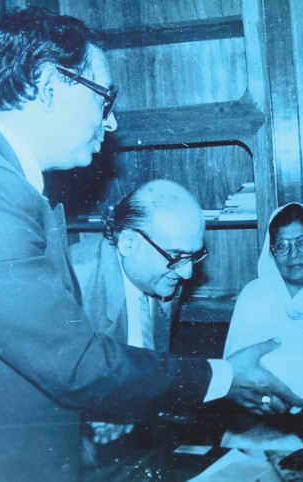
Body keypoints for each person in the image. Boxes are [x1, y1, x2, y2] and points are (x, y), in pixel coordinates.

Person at [0, 8, 301, 482]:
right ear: (50, 84)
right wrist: (223, 375)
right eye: (104, 99)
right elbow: (75, 364)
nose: (110, 123)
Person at [69, 179, 207, 451]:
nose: (187, 273)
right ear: (129, 243)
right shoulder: (75, 279)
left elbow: (151, 363)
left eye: (193, 256)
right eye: (177, 256)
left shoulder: (166, 273)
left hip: (138, 432)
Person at [223, 202, 303, 357]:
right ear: (271, 253)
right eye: (281, 246)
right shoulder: (254, 296)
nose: (293, 254)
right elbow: (237, 368)